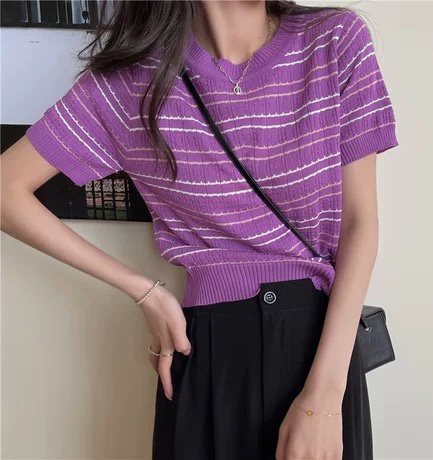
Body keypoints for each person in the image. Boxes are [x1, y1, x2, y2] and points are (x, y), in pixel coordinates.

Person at [1, 1, 399, 459]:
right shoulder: (133, 82)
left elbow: (359, 224)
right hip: (209, 356)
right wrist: (143, 291)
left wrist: (324, 399)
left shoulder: (333, 40)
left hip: (321, 350)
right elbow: (6, 189)